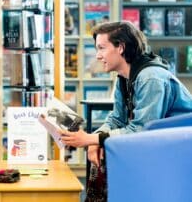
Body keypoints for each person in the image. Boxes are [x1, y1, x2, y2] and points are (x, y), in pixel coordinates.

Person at [60, 21, 192, 202]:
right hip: (159, 148)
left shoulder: (151, 77)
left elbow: (142, 131)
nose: (98, 56)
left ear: (120, 47)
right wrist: (95, 140)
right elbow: (116, 118)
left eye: (101, 48)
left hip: (179, 151)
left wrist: (90, 138)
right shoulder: (124, 76)